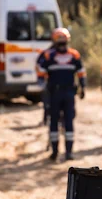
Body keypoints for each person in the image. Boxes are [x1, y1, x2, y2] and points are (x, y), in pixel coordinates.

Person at [37, 28, 86, 161]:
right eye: (60, 42)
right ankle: (55, 151)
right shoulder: (48, 55)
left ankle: (69, 152)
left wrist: (83, 87)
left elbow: (81, 72)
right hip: (54, 93)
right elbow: (40, 72)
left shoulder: (74, 55)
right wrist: (42, 87)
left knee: (69, 121)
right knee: (54, 122)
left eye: (64, 42)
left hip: (69, 93)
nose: (62, 44)